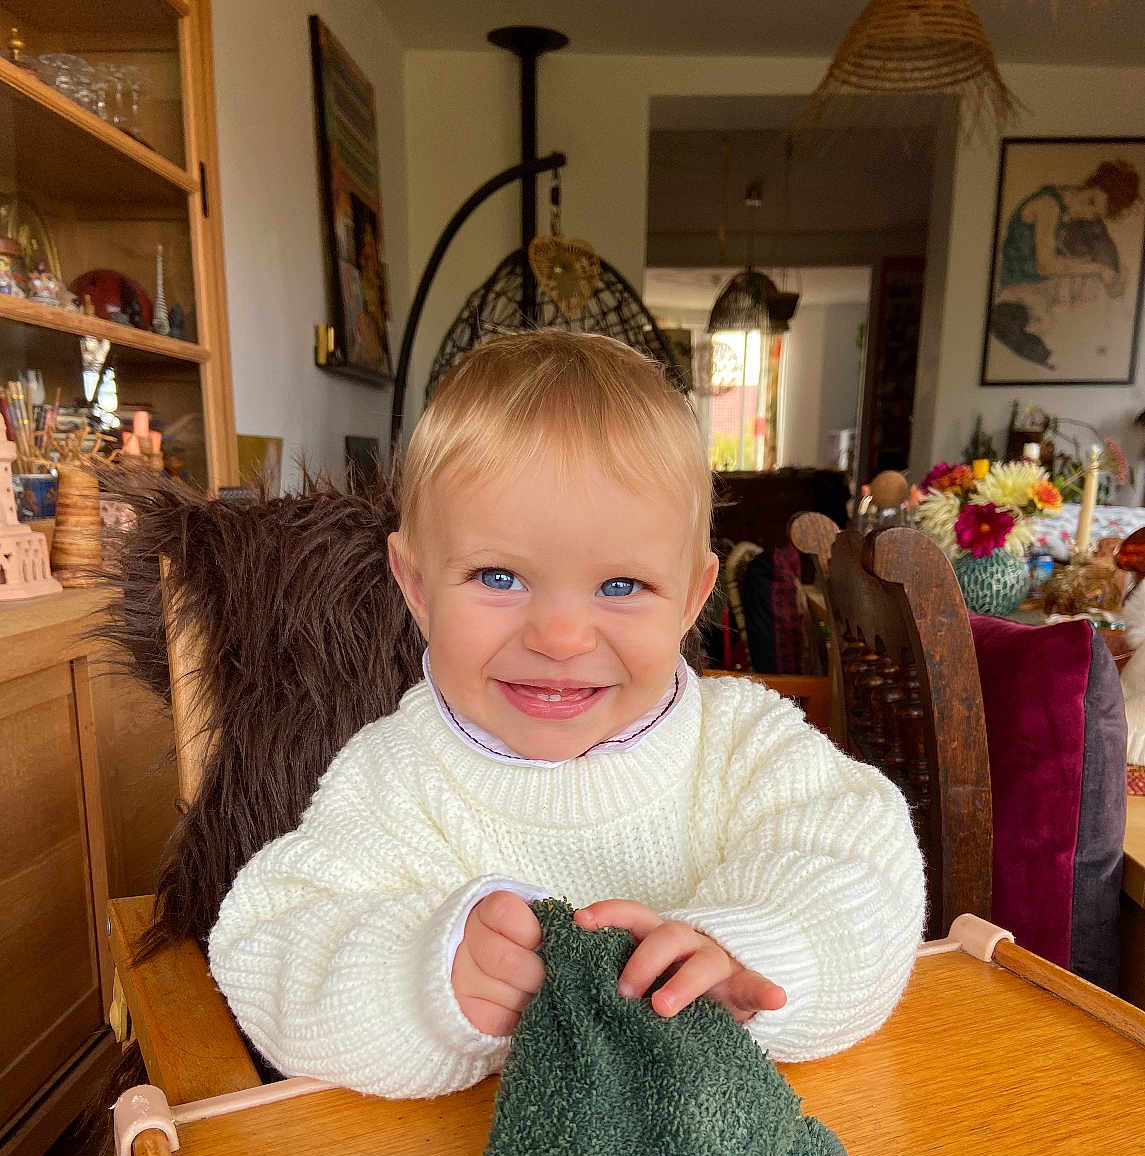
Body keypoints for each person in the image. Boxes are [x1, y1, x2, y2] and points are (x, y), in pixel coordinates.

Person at [208, 329, 925, 1100]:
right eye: (497, 575)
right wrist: (429, 976)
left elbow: (868, 874)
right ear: (416, 587)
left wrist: (747, 947)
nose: (557, 637)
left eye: (619, 585)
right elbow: (265, 944)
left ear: (691, 596)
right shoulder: (396, 773)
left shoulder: (742, 742)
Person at [990, 158, 1143, 369]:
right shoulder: (1048, 205)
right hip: (1020, 287)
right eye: (1097, 211)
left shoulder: (1075, 215)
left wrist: (1111, 276)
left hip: (1042, 287)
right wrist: (1098, 269)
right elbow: (1045, 266)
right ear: (1094, 194)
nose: (1094, 217)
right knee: (1049, 328)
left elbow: (1108, 265)